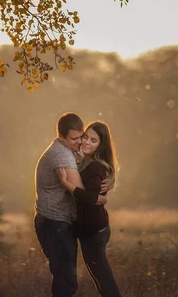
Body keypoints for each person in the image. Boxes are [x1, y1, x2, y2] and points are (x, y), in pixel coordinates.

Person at [34, 112, 108, 297]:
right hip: (55, 224)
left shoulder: (67, 151)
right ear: (61, 136)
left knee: (64, 280)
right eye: (74, 138)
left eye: (81, 136)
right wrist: (101, 198)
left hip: (53, 223)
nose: (79, 142)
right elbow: (82, 193)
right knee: (66, 282)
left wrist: (109, 180)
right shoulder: (62, 156)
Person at [56, 121, 122, 297]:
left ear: (101, 146)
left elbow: (91, 198)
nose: (87, 142)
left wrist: (65, 184)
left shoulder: (95, 167)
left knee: (105, 283)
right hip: (91, 231)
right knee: (102, 282)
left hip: (94, 232)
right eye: (86, 137)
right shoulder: (86, 161)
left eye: (94, 141)